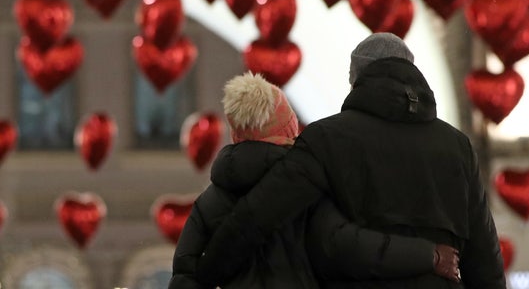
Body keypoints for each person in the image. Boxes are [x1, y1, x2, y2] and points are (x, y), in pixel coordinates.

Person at [195, 32, 506, 288]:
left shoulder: (327, 139)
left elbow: (259, 214)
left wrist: (208, 273)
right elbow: (484, 256)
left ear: (356, 79)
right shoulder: (457, 147)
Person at [169, 72, 462, 288]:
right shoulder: (307, 191)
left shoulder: (209, 202)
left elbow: (185, 275)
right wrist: (428, 255)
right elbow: (352, 247)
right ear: (288, 132)